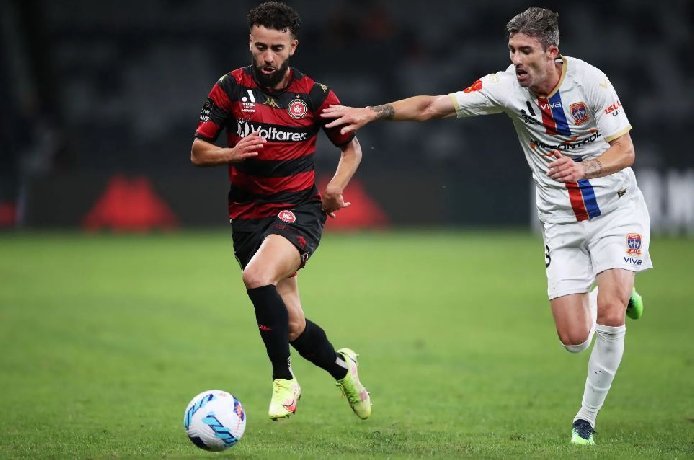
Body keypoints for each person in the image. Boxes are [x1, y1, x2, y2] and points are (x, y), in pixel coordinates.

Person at [322, 7, 650, 445]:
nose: (516, 59)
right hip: (560, 221)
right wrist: (369, 113)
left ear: (552, 52)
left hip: (615, 209)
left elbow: (625, 151)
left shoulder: (591, 82)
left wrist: (583, 168)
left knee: (612, 315)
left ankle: (585, 420)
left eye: (526, 50)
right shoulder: (504, 87)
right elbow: (431, 106)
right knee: (573, 339)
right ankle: (610, 290)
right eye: (512, 49)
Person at [190, 1, 370, 422]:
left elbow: (351, 148)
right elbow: (198, 151)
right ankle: (345, 370)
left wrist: (335, 188)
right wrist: (232, 152)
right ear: (250, 43)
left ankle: (283, 379)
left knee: (255, 276)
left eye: (276, 48)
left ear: (293, 47)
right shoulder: (230, 88)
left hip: (298, 210)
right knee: (290, 326)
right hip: (248, 217)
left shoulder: (314, 95)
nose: (267, 57)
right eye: (260, 47)